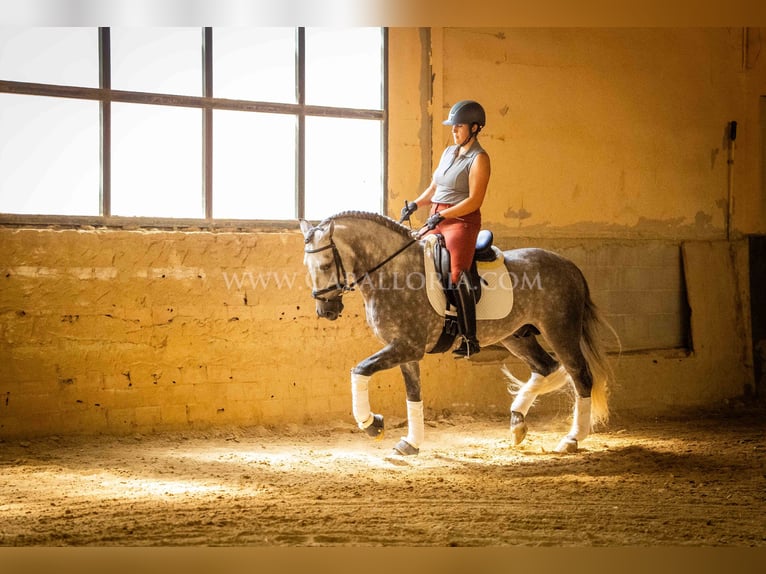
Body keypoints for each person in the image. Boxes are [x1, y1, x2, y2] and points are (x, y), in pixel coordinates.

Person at [400, 100, 491, 358]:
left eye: (459, 126)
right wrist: (415, 204)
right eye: (453, 126)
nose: (454, 130)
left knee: (456, 272)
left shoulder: (479, 159)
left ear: (475, 128)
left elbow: (474, 200)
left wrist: (442, 215)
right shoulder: (448, 152)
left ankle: (469, 338)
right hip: (436, 217)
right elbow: (434, 188)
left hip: (461, 221)